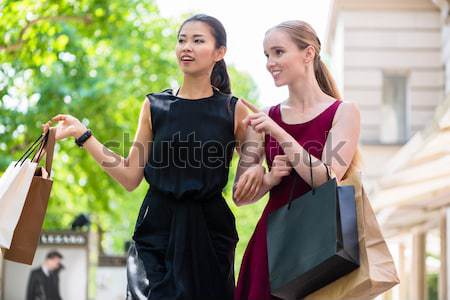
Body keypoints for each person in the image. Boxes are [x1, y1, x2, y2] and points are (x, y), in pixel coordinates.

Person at [42, 14, 263, 300]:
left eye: (198, 41)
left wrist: (261, 158)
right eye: (182, 40)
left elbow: (246, 190)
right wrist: (84, 135)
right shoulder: (155, 106)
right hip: (156, 229)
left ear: (219, 53)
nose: (187, 47)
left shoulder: (236, 111)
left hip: (210, 234)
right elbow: (130, 176)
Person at [233, 20, 361, 300]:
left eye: (278, 52)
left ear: (309, 53)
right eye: (266, 55)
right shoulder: (262, 118)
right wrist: (268, 180)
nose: (270, 62)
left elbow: (326, 179)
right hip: (272, 249)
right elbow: (239, 197)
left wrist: (278, 132)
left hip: (322, 249)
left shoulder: (343, 112)